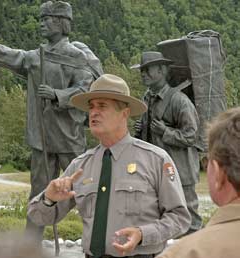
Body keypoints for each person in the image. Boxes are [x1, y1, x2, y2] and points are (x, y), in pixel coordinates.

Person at [0, 1, 102, 241]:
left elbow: (85, 87)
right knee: (38, 194)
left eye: (46, 19)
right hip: (41, 139)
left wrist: (58, 95)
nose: (41, 24)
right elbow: (11, 56)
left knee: (84, 191)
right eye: (41, 19)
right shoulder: (36, 56)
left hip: (69, 137)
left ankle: (97, 239)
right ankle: (30, 245)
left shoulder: (78, 57)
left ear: (61, 23)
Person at [28, 74, 191, 258]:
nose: (94, 112)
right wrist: (49, 199)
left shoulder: (155, 160)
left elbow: (179, 218)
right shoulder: (80, 166)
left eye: (102, 106)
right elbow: (39, 217)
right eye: (91, 107)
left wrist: (142, 234)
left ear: (125, 113)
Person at [132, 51, 202, 234]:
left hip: (181, 170)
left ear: (162, 70)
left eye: (147, 69)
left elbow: (191, 136)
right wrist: (140, 130)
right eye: (142, 70)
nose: (143, 74)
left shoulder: (180, 101)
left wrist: (165, 132)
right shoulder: (146, 98)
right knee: (160, 216)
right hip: (156, 170)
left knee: (190, 220)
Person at [156, 107, 240, 258]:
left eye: (207, 163)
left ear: (218, 173)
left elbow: (189, 135)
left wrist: (165, 131)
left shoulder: (186, 253)